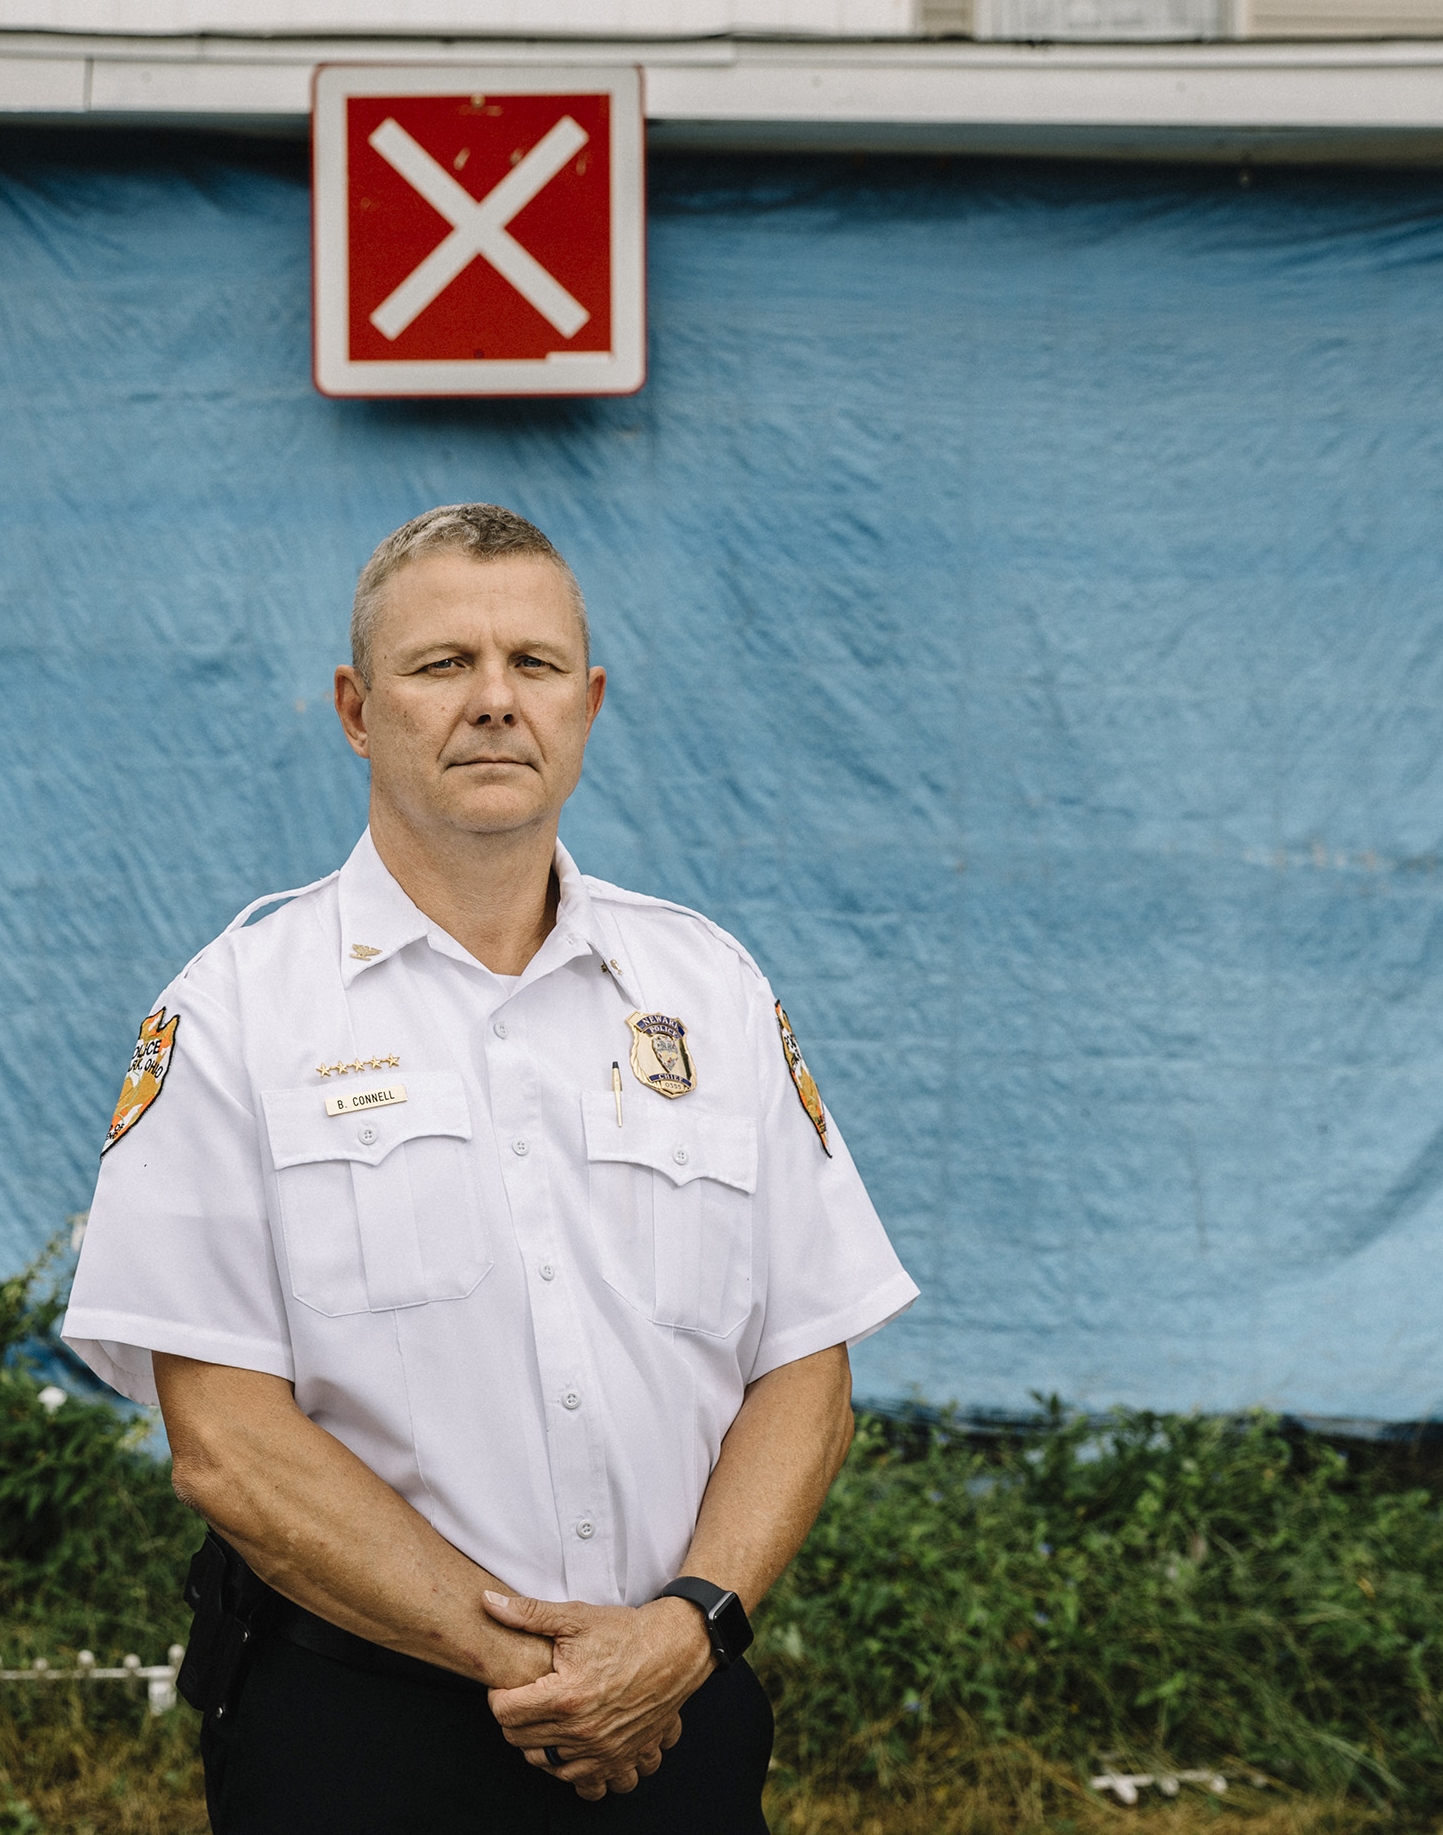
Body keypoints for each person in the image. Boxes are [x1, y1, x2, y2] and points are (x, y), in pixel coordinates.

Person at [64, 504, 916, 1832]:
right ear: (357, 709)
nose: (493, 701)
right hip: (362, 1740)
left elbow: (805, 1366)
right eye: (440, 664)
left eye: (532, 664)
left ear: (588, 702)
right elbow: (226, 1444)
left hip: (676, 1706)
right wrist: (546, 1676)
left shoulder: (709, 990)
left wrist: (685, 1635)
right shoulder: (237, 1012)